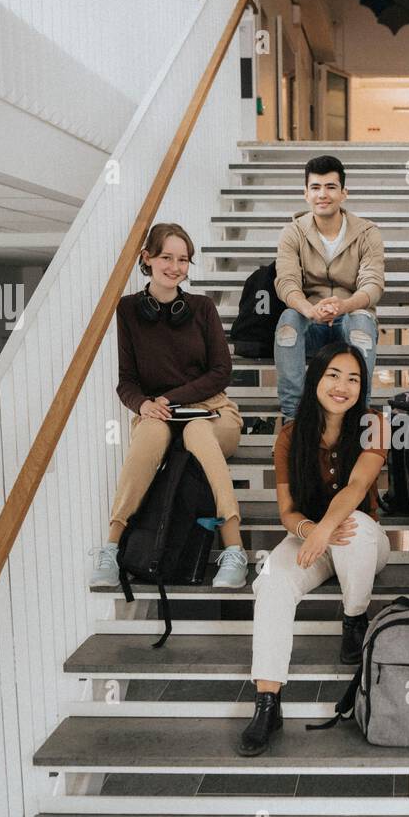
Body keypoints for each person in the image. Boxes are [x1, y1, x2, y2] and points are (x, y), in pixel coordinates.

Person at [242, 342, 391, 756]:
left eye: (354, 379)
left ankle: (354, 620)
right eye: (333, 376)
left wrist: (326, 527)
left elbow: (358, 486)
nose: (343, 386)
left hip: (362, 538)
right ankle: (267, 702)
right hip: (311, 535)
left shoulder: (374, 424)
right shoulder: (290, 435)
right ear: (315, 380)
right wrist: (311, 530)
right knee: (271, 581)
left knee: (355, 526)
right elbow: (287, 511)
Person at [89, 222, 247, 591]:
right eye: (166, 257)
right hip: (157, 412)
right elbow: (126, 380)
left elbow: (221, 372)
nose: (175, 267)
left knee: (196, 429)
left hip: (212, 410)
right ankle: (111, 546)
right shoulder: (127, 311)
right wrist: (143, 404)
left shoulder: (202, 307)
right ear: (147, 259)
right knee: (149, 434)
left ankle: (234, 548)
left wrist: (170, 398)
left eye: (183, 260)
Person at [273, 155, 385, 423]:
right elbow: (286, 282)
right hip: (311, 321)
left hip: (351, 318)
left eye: (331, 187)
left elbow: (373, 283)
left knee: (360, 322)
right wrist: (309, 310)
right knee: (288, 320)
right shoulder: (293, 232)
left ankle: (358, 415)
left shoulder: (367, 232)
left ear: (343, 193)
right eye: (315, 187)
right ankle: (294, 417)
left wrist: (344, 306)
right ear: (305, 193)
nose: (323, 194)